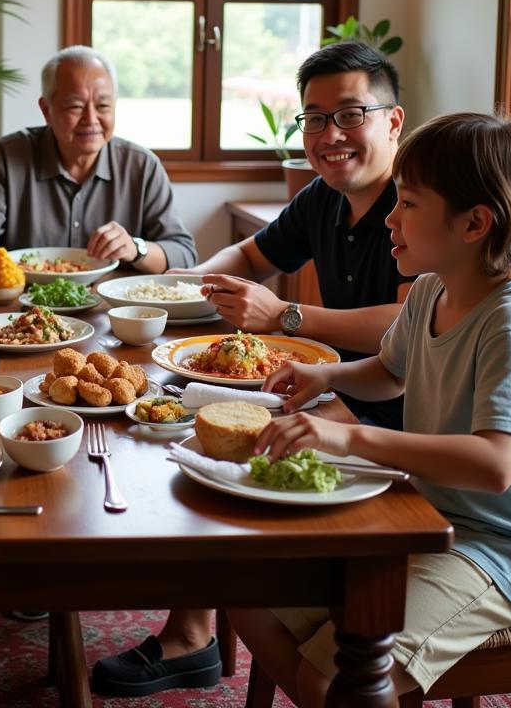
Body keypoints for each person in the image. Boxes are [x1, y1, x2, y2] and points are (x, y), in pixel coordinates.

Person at [92, 40, 412, 697]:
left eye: (350, 115)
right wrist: (172, 284)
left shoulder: (418, 203)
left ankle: (193, 633)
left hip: (396, 415)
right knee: (187, 426)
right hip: (327, 389)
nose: (330, 135)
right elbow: (248, 253)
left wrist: (290, 317)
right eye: (314, 118)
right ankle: (194, 626)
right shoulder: (324, 198)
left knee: (210, 445)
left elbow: (412, 330)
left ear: (393, 122)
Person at [231, 111, 511, 706]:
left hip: (501, 549)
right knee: (245, 589)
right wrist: (323, 374)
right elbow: (390, 374)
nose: (390, 217)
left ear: (474, 222)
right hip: (426, 515)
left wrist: (348, 439)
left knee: (341, 675)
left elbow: (496, 463)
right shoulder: (430, 290)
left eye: (409, 204)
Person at [0, 45, 197, 279]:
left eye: (103, 106)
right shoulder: (8, 155)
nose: (91, 119)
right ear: (46, 110)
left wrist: (135, 247)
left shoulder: (142, 166)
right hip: (24, 313)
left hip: (116, 315)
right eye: (75, 107)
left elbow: (183, 254)